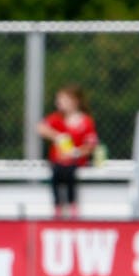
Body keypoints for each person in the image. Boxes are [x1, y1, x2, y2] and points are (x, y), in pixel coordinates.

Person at [38, 84, 98, 219]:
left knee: (70, 173)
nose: (59, 103)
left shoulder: (86, 121)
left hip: (75, 161)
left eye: (63, 100)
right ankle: (58, 207)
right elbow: (41, 128)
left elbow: (91, 145)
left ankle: (72, 206)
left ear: (75, 101)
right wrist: (57, 136)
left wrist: (75, 152)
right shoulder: (57, 118)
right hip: (58, 162)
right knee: (56, 173)